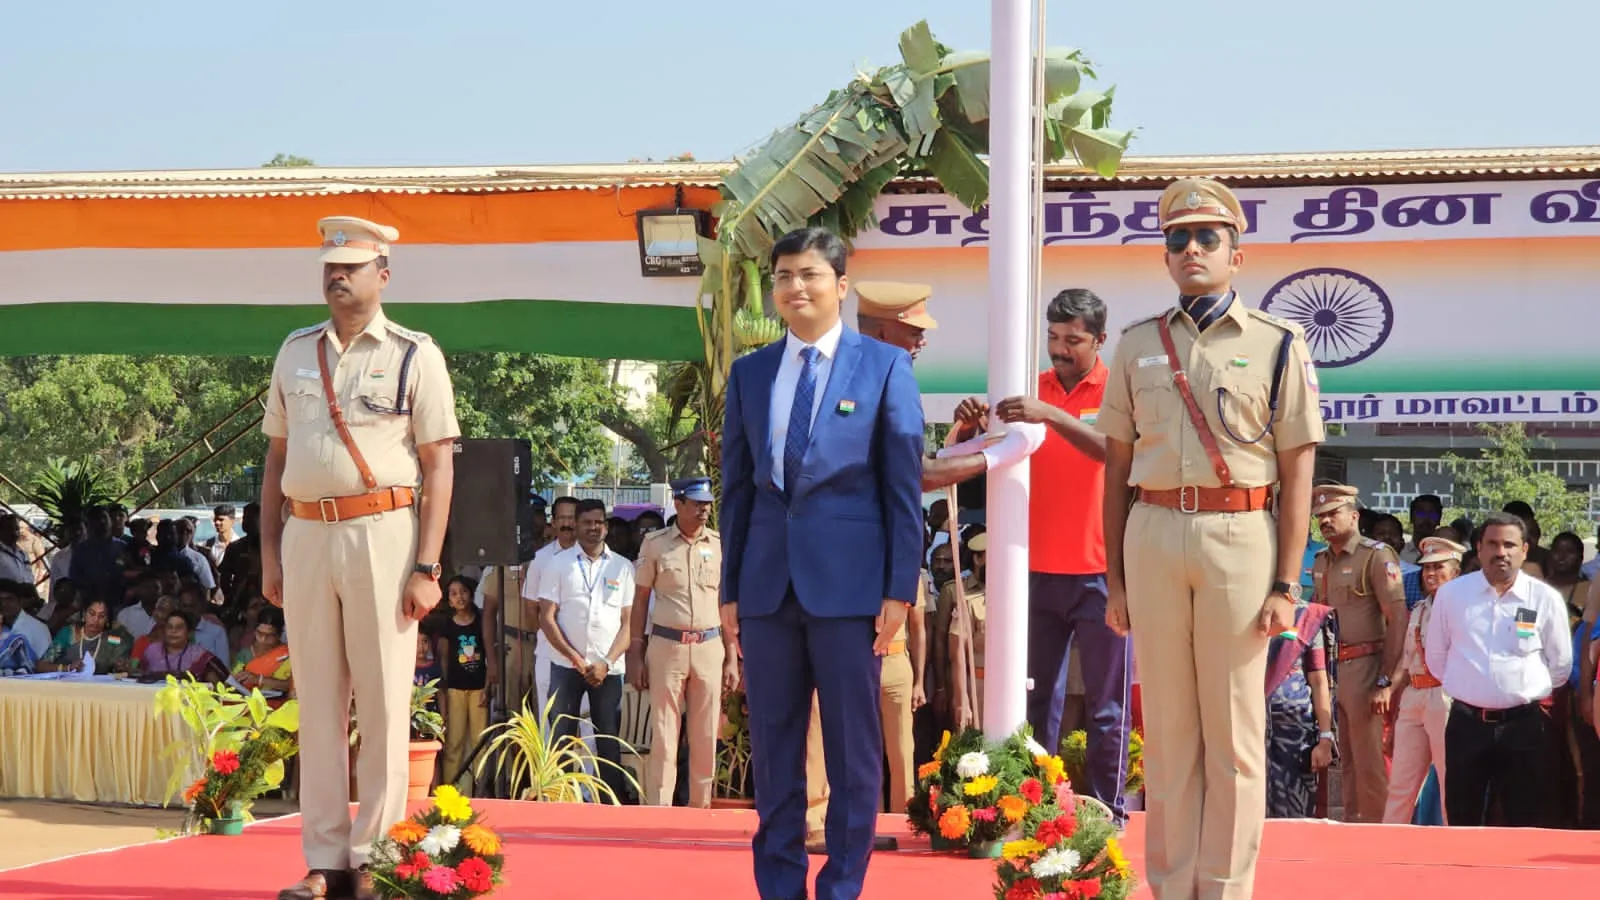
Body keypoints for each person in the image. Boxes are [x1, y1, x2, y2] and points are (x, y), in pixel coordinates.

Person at [1097, 178, 1324, 899]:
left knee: (1232, 735)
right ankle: (1169, 885)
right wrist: (1116, 581)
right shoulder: (1136, 346)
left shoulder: (1279, 345)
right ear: (1165, 257)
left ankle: (1223, 889)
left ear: (1237, 254)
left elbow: (1298, 475)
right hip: (1153, 531)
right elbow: (1116, 471)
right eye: (1177, 239)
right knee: (1166, 735)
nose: (1191, 249)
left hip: (1240, 534)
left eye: (1207, 238)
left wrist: (1288, 585)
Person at [720, 227, 924, 900]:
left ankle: (842, 886)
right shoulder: (750, 374)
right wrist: (730, 591)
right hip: (767, 590)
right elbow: (738, 488)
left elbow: (901, 486)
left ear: (840, 284)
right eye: (783, 276)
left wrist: (900, 586)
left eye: (809, 274)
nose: (795, 287)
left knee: (852, 754)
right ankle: (778, 887)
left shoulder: (884, 367)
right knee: (777, 756)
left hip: (851, 592)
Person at [261, 216, 460, 900]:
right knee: (316, 703)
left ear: (384, 273)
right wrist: (268, 551)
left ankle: (375, 859)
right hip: (306, 534)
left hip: (384, 535)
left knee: (381, 704)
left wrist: (428, 567)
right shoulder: (293, 352)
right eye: (328, 266)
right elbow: (275, 459)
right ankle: (324, 861)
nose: (337, 276)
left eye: (350, 265)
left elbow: (439, 465)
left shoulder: (415, 354)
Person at [1426, 512, 1571, 827]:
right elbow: (1436, 658)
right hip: (1467, 724)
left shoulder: (1544, 598)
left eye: (1509, 544)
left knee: (1526, 817)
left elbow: (1560, 665)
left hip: (1524, 725)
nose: (1501, 552)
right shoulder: (1453, 595)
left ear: (1525, 551)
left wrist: (1516, 691)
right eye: (1492, 543)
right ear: (1479, 549)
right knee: (1463, 814)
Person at [628, 476, 734, 809]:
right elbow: (641, 599)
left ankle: (700, 807)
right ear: (678, 503)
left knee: (705, 734)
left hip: (709, 645)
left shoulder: (719, 544)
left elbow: (725, 603)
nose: (704, 510)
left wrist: (732, 655)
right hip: (667, 646)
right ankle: (660, 808)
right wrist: (635, 652)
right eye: (697, 503)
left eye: (707, 504)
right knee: (664, 732)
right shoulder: (656, 544)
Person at [1308, 484, 1407, 823]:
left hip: (1368, 665)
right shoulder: (1321, 561)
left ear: (1355, 515)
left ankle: (1380, 839)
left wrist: (1386, 679)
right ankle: (1353, 832)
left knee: (1371, 763)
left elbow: (1397, 619)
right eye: (1320, 516)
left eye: (1333, 513)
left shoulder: (1376, 555)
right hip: (1335, 669)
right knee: (1346, 761)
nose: (1325, 520)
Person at [537, 499, 636, 802]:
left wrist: (606, 662)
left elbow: (629, 624)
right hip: (566, 666)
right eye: (587, 522)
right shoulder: (558, 564)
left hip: (607, 669)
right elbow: (546, 617)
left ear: (606, 526)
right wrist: (575, 658)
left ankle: (609, 805)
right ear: (577, 526)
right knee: (562, 737)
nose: (594, 528)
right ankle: (560, 800)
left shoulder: (623, 566)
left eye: (599, 522)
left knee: (607, 739)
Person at [1382, 536, 1464, 825]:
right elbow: (1406, 663)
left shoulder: (1462, 611)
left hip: (1444, 696)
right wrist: (1392, 693)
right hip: (1414, 694)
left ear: (1456, 572)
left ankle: (1451, 850)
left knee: (1448, 782)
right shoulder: (1418, 609)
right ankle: (1386, 849)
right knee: (1400, 784)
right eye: (1426, 568)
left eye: (1438, 567)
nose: (1430, 574)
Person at [1263, 596, 1334, 818]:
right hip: (1246, 727)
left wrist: (1325, 738)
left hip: (1295, 732)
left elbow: (1319, 679)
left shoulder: (1305, 617)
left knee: (1295, 815)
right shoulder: (1241, 609)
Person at [437, 575, 488, 784]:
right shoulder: (447, 626)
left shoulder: (481, 622)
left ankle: (481, 786)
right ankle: (450, 786)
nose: (460, 597)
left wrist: (488, 687)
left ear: (472, 593)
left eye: (464, 592)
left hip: (479, 691)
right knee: (454, 742)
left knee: (480, 741)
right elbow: (444, 660)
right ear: (449, 600)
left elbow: (488, 657)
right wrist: (445, 691)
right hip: (455, 690)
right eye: (454, 594)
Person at [39, 597, 133, 673]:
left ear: (107, 621)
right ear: (84, 615)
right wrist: (67, 668)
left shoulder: (111, 639)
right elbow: (40, 666)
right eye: (92, 614)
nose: (95, 620)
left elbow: (123, 648)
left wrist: (120, 667)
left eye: (101, 616)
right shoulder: (69, 634)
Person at [141, 609, 226, 683]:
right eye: (169, 627)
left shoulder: (200, 655)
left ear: (189, 633)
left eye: (179, 627)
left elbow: (216, 684)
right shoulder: (152, 651)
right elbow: (142, 675)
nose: (173, 631)